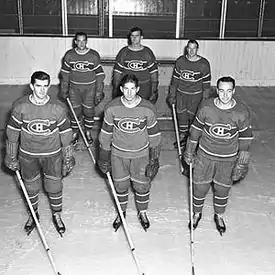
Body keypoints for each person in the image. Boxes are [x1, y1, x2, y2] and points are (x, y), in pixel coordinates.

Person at [4, 71, 75, 236]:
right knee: (30, 187)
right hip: (28, 155)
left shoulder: (57, 107)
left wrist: (68, 156)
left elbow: (65, 134)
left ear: (49, 86)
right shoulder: (21, 106)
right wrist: (10, 155)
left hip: (52, 155)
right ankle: (33, 214)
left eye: (45, 86)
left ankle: (56, 214)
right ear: (31, 86)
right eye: (38, 86)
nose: (42, 91)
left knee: (55, 186)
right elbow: (12, 133)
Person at [183, 76, 253, 235]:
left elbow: (246, 138)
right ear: (217, 90)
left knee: (222, 189)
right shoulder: (206, 107)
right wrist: (189, 150)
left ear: (234, 91)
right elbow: (195, 131)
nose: (225, 95)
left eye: (229, 91)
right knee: (199, 187)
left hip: (228, 158)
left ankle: (219, 215)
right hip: (205, 155)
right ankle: (196, 213)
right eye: (221, 91)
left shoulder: (241, 112)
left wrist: (242, 162)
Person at [97, 74, 161, 231]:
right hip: (118, 155)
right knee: (120, 185)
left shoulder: (147, 109)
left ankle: (142, 212)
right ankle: (121, 212)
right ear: (121, 89)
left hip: (141, 155)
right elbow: (105, 135)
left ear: (138, 89)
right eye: (126, 89)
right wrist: (103, 157)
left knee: (142, 187)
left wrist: (154, 159)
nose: (130, 93)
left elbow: (155, 136)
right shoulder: (112, 107)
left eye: (133, 89)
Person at [59, 31, 105, 145]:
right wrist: (64, 89)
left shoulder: (93, 55)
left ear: (86, 41)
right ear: (75, 42)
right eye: (79, 41)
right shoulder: (69, 55)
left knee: (89, 111)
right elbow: (65, 74)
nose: (81, 43)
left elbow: (100, 74)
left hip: (90, 89)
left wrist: (99, 91)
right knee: (75, 112)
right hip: (74, 89)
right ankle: (75, 132)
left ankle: (88, 132)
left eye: (83, 40)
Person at [167, 39, 211, 151]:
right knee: (181, 116)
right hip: (181, 94)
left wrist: (205, 100)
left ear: (197, 49)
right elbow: (174, 81)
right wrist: (172, 95)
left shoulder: (204, 64)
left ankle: (193, 140)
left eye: (194, 48)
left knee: (194, 118)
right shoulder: (180, 61)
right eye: (189, 48)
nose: (191, 51)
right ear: (186, 48)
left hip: (195, 96)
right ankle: (182, 138)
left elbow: (206, 86)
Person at [113, 27, 159, 104]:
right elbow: (117, 73)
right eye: (132, 36)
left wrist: (154, 90)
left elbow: (154, 73)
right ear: (129, 37)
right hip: (128, 87)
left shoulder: (147, 52)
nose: (134, 38)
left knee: (143, 108)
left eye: (137, 36)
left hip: (144, 87)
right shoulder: (124, 52)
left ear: (141, 37)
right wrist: (116, 88)